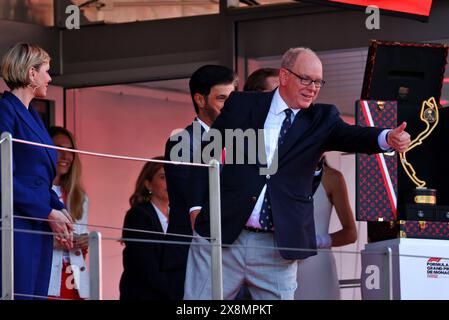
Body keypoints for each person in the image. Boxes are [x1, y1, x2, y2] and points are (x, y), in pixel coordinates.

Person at [184, 47, 411, 300]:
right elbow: (204, 155)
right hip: (224, 235)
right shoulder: (242, 104)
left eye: (318, 82)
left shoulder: (322, 118)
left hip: (277, 246)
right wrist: (195, 207)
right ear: (284, 76)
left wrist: (387, 137)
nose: (313, 87)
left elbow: (354, 136)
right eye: (306, 79)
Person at [0, 43, 74, 300]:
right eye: (46, 70)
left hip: (39, 224)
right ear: (31, 74)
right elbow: (3, 174)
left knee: (36, 294)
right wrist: (46, 210)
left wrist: (58, 206)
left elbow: (39, 177)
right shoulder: (4, 110)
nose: (50, 78)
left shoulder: (33, 115)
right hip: (17, 223)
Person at [162, 65, 237, 299]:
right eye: (222, 98)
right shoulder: (182, 141)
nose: (229, 105)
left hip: (233, 255)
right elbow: (194, 196)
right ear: (200, 100)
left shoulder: (241, 140)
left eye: (232, 97)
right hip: (190, 253)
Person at [295, 156, 357, 300]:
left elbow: (350, 233)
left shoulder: (332, 178)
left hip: (318, 268)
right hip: (279, 263)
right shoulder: (279, 174)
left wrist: (315, 241)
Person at [119, 158, 172, 300]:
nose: (171, 181)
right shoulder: (137, 216)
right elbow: (146, 267)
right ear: (148, 184)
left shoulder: (181, 218)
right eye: (163, 177)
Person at [47, 126, 89, 300]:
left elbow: (79, 237)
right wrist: (54, 242)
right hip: (46, 274)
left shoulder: (80, 196)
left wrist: (85, 241)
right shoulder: (36, 192)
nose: (66, 156)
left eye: (70, 150)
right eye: (59, 149)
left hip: (74, 277)